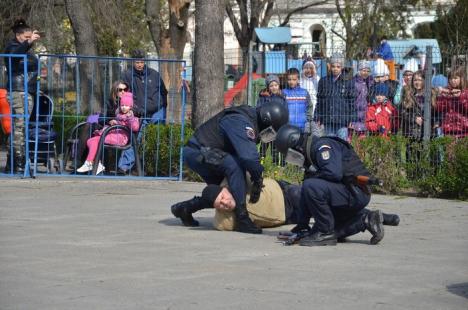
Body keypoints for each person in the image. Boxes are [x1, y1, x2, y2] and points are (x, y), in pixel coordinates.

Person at [171, 100, 289, 234]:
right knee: (235, 165)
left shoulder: (249, 119)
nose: (270, 134)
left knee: (227, 194)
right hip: (198, 152)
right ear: (266, 120)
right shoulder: (240, 121)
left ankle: (186, 208)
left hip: (208, 153)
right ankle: (242, 219)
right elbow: (248, 157)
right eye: (271, 130)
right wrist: (257, 178)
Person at [274, 124, 386, 246]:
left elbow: (334, 173)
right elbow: (306, 195)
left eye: (290, 154)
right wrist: (302, 226)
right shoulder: (310, 155)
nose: (291, 159)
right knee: (328, 231)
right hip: (348, 192)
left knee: (310, 185)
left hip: (356, 191)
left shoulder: (321, 147)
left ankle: (324, 232)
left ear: (296, 145)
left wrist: (312, 177)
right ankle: (366, 219)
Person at [172, 177, 400, 232]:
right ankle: (371, 218)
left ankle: (380, 216)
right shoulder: (224, 218)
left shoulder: (240, 183)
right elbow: (219, 223)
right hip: (290, 215)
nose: (222, 203)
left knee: (329, 206)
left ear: (225, 189)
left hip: (288, 194)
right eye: (218, 204)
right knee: (327, 217)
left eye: (221, 197)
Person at [120, 49, 168, 173]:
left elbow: (163, 93)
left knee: (157, 137)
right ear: (132, 62)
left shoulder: (154, 74)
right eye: (137, 62)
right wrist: (134, 109)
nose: (140, 64)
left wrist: (162, 108)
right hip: (139, 112)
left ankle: (157, 167)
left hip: (156, 110)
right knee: (136, 137)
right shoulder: (127, 75)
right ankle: (123, 166)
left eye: (142, 61)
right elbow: (125, 94)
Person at [3, 19, 41, 173]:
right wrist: (28, 42)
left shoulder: (25, 48)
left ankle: (12, 163)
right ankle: (18, 163)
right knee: (20, 127)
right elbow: (14, 56)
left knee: (19, 126)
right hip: (19, 91)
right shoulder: (13, 47)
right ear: (18, 35)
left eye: (29, 37)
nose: (28, 40)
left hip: (26, 90)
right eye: (26, 37)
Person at [76, 92, 140, 175]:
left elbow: (135, 127)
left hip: (120, 138)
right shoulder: (115, 111)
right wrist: (113, 121)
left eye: (126, 105)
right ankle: (96, 163)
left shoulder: (131, 116)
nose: (124, 107)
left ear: (130, 106)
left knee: (97, 139)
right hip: (112, 134)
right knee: (90, 141)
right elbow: (97, 117)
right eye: (122, 105)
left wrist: (129, 119)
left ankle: (89, 163)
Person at [72, 80, 130, 170]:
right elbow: (102, 116)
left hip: (117, 131)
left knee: (90, 124)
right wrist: (108, 120)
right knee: (90, 122)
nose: (123, 91)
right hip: (106, 126)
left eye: (125, 89)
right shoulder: (110, 102)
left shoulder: (128, 104)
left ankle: (79, 160)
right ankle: (82, 160)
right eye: (120, 89)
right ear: (115, 90)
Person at [315, 54, 356, 140]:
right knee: (330, 143)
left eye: (338, 66)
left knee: (342, 143)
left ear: (342, 67)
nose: (335, 69)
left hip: (342, 120)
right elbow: (320, 101)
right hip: (328, 119)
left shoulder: (347, 81)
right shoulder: (323, 81)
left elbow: (351, 101)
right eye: (333, 66)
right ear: (330, 66)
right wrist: (318, 116)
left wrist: (351, 118)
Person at [400, 70, 437, 140]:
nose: (417, 82)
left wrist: (436, 122)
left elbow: (437, 112)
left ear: (424, 81)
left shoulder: (432, 94)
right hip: (412, 132)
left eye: (420, 80)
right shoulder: (408, 94)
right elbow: (402, 111)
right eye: (415, 80)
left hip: (429, 131)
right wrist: (414, 118)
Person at [436, 67, 468, 137]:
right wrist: (442, 96)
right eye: (450, 78)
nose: (453, 81)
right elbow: (439, 108)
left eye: (455, 78)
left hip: (464, 130)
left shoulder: (466, 92)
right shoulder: (446, 91)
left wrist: (460, 97)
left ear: (462, 78)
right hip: (449, 130)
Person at [282, 68, 313, 132]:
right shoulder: (283, 93)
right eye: (289, 79)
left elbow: (309, 106)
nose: (291, 82)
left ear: (298, 80)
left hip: (302, 126)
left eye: (294, 79)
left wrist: (308, 121)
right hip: (288, 126)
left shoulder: (304, 92)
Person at [350, 60, 373, 138]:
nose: (365, 72)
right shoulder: (354, 83)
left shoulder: (369, 83)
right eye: (363, 70)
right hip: (354, 114)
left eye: (368, 71)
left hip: (365, 115)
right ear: (359, 71)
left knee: (362, 139)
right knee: (351, 138)